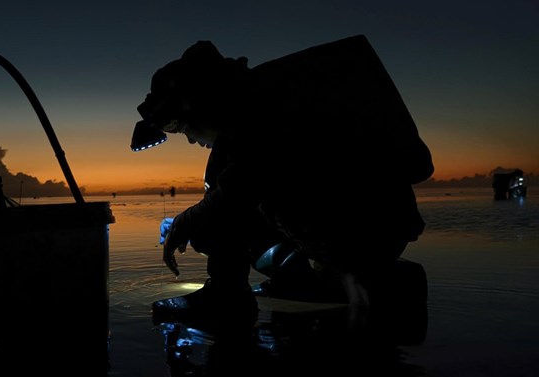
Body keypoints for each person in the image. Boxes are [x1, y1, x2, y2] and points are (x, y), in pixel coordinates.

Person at [130, 35, 434, 324]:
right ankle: (324, 278)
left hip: (363, 229)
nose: (193, 141)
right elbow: (241, 184)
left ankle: (229, 294)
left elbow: (238, 192)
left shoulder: (261, 112)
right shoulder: (268, 102)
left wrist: (187, 221)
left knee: (210, 224)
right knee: (213, 215)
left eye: (185, 129)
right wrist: (191, 218)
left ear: (202, 104)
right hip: (380, 228)